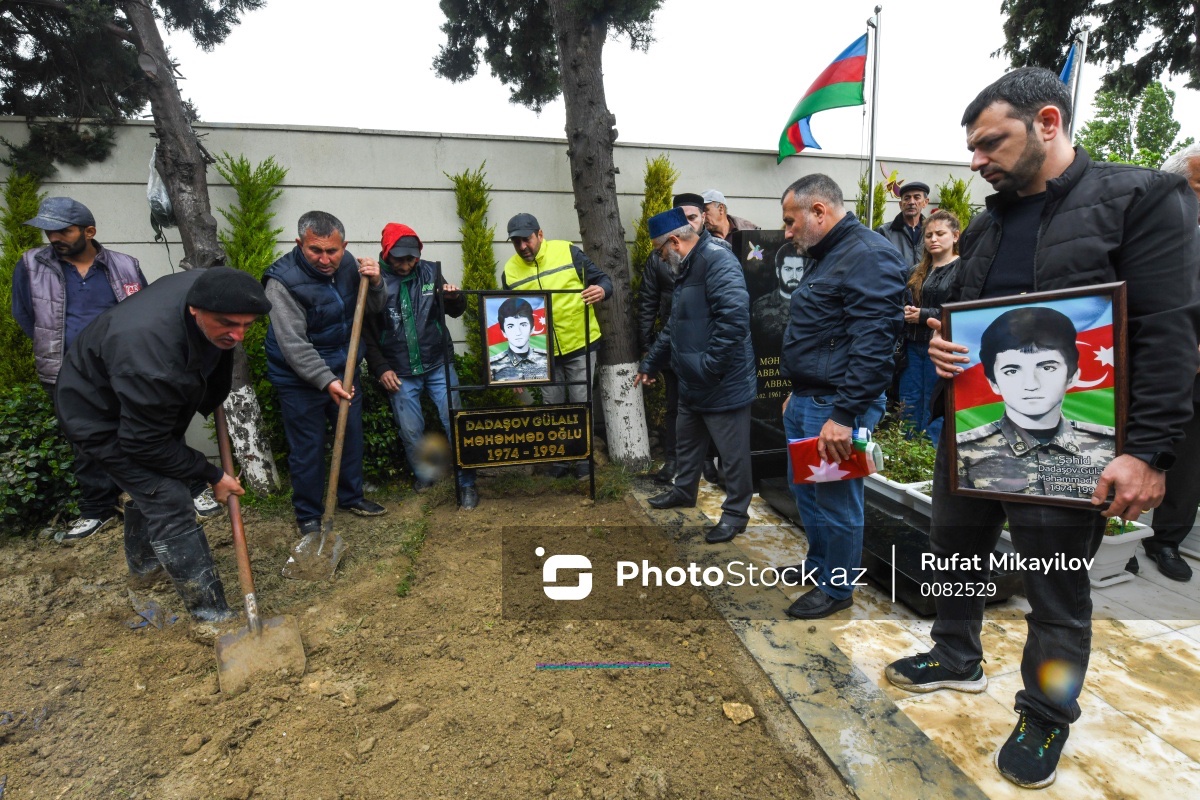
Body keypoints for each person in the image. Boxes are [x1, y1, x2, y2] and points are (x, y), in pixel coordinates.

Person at [884, 68, 1200, 791]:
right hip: (974, 430)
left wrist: (1148, 453)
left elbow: (1166, 333)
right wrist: (940, 344)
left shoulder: (1142, 199)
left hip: (1077, 443)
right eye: (972, 147)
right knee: (953, 545)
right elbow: (957, 312)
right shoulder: (992, 220)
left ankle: (1046, 714)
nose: (975, 160)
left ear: (1048, 123)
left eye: (990, 142)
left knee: (1055, 586)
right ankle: (956, 654)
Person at [54, 267, 271, 621]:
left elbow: (156, 425)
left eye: (247, 325)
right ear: (194, 310)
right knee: (167, 496)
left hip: (134, 401)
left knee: (153, 482)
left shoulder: (209, 289)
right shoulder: (153, 360)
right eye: (228, 324)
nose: (238, 335)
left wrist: (214, 382)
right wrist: (211, 473)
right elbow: (143, 444)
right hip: (97, 416)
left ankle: (146, 568)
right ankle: (211, 616)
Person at [777, 174, 906, 620]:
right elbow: (820, 333)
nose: (787, 232)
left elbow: (874, 346)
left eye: (792, 221)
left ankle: (837, 589)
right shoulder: (826, 253)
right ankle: (819, 567)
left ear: (819, 211)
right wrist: (798, 392)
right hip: (809, 401)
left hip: (837, 407)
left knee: (836, 497)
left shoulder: (867, 256)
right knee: (808, 492)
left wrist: (845, 414)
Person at [635, 207, 756, 544]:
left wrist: (708, 369)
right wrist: (651, 363)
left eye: (660, 252)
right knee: (687, 444)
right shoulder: (687, 267)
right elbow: (676, 325)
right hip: (694, 381)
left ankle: (735, 515)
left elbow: (734, 320)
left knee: (732, 457)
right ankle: (684, 491)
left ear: (674, 242)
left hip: (720, 382)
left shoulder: (717, 260)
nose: (661, 259)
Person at [263, 211, 388, 537]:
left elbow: (372, 309)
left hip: (344, 370)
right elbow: (294, 346)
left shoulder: (349, 266)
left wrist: (375, 283)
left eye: (331, 251)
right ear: (299, 243)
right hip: (298, 377)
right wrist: (325, 380)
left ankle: (350, 497)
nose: (324, 259)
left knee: (350, 437)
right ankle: (308, 514)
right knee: (308, 447)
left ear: (343, 245)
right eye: (315, 250)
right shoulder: (282, 282)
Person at [362, 223, 479, 510]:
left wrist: (454, 297)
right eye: (400, 258)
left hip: (438, 363)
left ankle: (467, 482)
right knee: (411, 430)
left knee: (455, 419)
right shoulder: (373, 281)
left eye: (411, 257)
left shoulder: (430, 271)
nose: (406, 263)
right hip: (399, 370)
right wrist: (380, 368)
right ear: (386, 253)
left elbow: (454, 310)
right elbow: (365, 332)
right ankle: (425, 474)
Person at [956, 307, 1116, 497]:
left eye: (1047, 367)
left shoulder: (1109, 444)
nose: (1031, 384)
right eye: (1012, 371)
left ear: (1072, 376)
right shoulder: (964, 450)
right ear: (993, 383)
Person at [1133, 142, 1200, 581]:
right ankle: (1121, 535)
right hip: (1151, 365)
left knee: (1189, 458)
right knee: (1135, 451)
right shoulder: (1145, 232)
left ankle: (1167, 539)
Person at [503, 213, 612, 479]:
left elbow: (603, 279)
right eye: (516, 242)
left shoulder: (567, 251)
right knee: (553, 407)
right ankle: (561, 459)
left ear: (540, 234)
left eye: (526, 239)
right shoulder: (509, 270)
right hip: (541, 353)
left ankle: (584, 459)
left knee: (580, 402)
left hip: (580, 343)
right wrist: (514, 368)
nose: (522, 247)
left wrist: (602, 290)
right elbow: (507, 316)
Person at [636, 192, 720, 485]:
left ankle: (707, 460)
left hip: (706, 350)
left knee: (707, 406)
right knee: (676, 406)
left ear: (703, 218)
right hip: (673, 348)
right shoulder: (659, 259)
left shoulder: (716, 255)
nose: (689, 223)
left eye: (693, 217)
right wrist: (649, 352)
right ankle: (674, 461)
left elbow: (730, 312)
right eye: (682, 218)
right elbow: (648, 303)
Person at [897, 210, 962, 445]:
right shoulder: (916, 270)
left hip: (943, 348)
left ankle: (932, 458)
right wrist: (904, 311)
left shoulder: (963, 269)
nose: (933, 239)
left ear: (955, 236)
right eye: (928, 235)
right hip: (912, 347)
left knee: (936, 403)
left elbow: (961, 309)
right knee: (910, 402)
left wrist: (923, 315)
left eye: (940, 234)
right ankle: (907, 453)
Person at [750, 246, 807, 346]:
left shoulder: (812, 303)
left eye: (799, 269)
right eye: (788, 269)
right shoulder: (760, 307)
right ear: (778, 272)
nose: (794, 276)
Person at [489, 297, 549, 382]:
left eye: (523, 324)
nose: (518, 332)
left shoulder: (546, 359)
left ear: (532, 328)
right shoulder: (493, 365)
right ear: (503, 332)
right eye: (510, 326)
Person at [876, 181, 930, 265]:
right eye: (907, 198)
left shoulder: (931, 231)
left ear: (925, 202)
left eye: (916, 197)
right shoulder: (884, 232)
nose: (911, 202)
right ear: (901, 205)